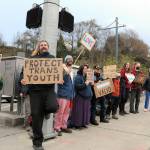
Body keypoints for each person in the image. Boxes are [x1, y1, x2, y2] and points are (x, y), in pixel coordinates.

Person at [21, 40, 58, 150]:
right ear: (39, 47)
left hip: (49, 90)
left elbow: (58, 73)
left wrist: (59, 78)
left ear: (48, 47)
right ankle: (37, 143)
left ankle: (46, 110)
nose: (43, 46)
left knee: (53, 107)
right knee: (36, 116)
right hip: (35, 92)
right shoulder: (32, 60)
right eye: (41, 45)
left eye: (45, 45)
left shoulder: (53, 59)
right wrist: (24, 81)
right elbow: (25, 74)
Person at [54, 55, 74, 136]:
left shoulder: (71, 71)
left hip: (69, 95)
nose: (70, 60)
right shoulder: (62, 68)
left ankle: (63, 126)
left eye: (71, 59)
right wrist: (66, 73)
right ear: (66, 61)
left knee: (66, 113)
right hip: (62, 95)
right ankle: (57, 127)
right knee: (60, 112)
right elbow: (59, 79)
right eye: (68, 59)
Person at [71, 64, 93, 129]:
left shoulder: (87, 77)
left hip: (86, 97)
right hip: (79, 97)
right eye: (85, 69)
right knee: (79, 111)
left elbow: (89, 86)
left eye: (87, 69)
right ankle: (77, 124)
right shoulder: (78, 77)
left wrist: (91, 83)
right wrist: (85, 84)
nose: (86, 70)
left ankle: (83, 123)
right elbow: (77, 86)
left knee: (85, 111)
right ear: (81, 69)